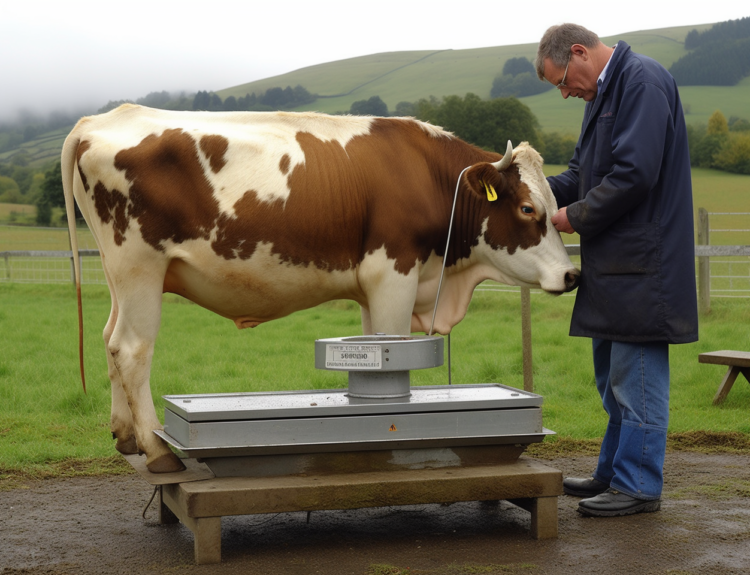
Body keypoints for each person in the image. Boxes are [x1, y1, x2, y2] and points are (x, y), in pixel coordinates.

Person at [534, 23, 698, 517]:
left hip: (644, 267)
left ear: (579, 53)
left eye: (561, 81)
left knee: (638, 380)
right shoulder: (602, 96)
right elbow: (581, 175)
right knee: (613, 381)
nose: (564, 93)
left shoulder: (641, 81)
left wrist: (573, 216)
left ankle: (638, 486)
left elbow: (635, 173)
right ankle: (613, 472)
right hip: (616, 265)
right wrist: (530, 190)